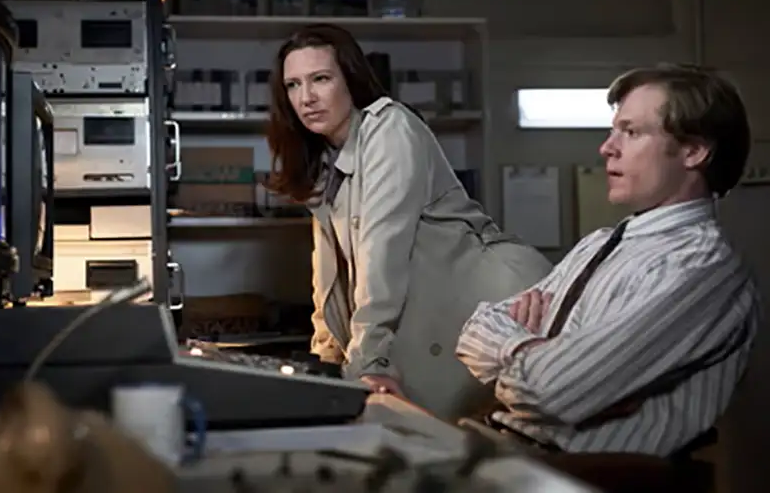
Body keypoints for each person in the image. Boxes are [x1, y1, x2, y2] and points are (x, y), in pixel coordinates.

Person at [456, 63, 760, 456]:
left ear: (694, 151)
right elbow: (475, 330)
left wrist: (519, 352)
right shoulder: (602, 242)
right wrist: (533, 351)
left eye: (631, 132)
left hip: (579, 474)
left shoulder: (704, 268)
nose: (607, 147)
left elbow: (553, 392)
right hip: (506, 447)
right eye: (614, 129)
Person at [264, 23, 553, 421]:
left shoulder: (388, 128)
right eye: (293, 85)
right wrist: (324, 361)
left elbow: (382, 249)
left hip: (496, 303)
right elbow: (328, 278)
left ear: (350, 80)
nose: (307, 97)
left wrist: (368, 359)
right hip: (435, 325)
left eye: (321, 79)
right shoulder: (324, 166)